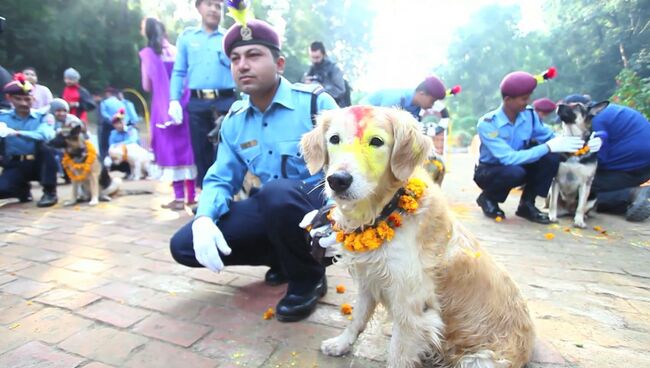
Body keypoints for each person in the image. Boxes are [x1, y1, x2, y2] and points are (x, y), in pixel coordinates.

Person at [169, 14, 338, 322]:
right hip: (274, 207)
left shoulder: (315, 105)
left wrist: (339, 216)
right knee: (183, 245)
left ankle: (308, 277)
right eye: (234, 58)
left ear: (280, 64)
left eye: (254, 55)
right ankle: (285, 259)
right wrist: (204, 217)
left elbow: (350, 165)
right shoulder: (234, 120)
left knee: (275, 194)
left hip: (318, 215)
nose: (242, 65)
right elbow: (222, 177)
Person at [473, 71, 589, 224]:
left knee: (551, 157)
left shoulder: (529, 115)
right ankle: (488, 198)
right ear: (508, 100)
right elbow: (508, 158)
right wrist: (548, 147)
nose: (528, 102)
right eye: (524, 99)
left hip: (518, 164)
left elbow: (548, 136)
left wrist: (582, 142)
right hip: (490, 170)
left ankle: (527, 205)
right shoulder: (488, 123)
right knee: (516, 171)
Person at [169, 0, 237, 188]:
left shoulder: (229, 37)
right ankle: (206, 196)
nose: (214, 9)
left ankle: (228, 194)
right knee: (201, 151)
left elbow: (240, 68)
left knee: (225, 151)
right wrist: (173, 99)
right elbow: (179, 71)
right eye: (209, 4)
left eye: (218, 6)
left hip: (225, 101)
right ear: (199, 7)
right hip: (197, 102)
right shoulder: (187, 37)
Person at [562, 94, 650, 222]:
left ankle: (631, 195)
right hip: (640, 165)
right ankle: (629, 200)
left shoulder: (595, 121)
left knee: (576, 188)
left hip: (632, 166)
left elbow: (599, 158)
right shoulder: (606, 112)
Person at [140, 17, 197, 210]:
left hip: (162, 108)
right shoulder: (177, 51)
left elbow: (146, 85)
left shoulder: (148, 55)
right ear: (164, 32)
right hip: (184, 104)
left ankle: (179, 197)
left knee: (170, 150)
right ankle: (192, 195)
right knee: (187, 149)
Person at [0, 74, 58, 207]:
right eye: (18, 99)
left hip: (38, 163)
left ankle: (50, 192)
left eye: (27, 99)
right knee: (3, 189)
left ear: (33, 99)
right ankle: (21, 190)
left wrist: (15, 133)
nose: (23, 103)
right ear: (9, 99)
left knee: (47, 149)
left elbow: (45, 135)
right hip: (15, 163)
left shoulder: (43, 117)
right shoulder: (3, 118)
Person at [361, 75, 447, 120]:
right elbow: (383, 124)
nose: (432, 105)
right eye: (432, 101)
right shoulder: (396, 98)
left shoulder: (417, 109)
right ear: (422, 93)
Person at [303, 41, 348, 106]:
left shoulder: (334, 69)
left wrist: (320, 88)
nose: (315, 60)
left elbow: (340, 90)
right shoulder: (310, 70)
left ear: (324, 55)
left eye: (317, 57)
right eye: (312, 57)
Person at [98, 87, 127, 160]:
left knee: (104, 145)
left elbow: (104, 114)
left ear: (108, 94)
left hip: (106, 127)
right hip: (118, 125)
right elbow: (124, 114)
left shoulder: (104, 102)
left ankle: (105, 159)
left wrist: (112, 120)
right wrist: (118, 122)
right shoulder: (121, 103)